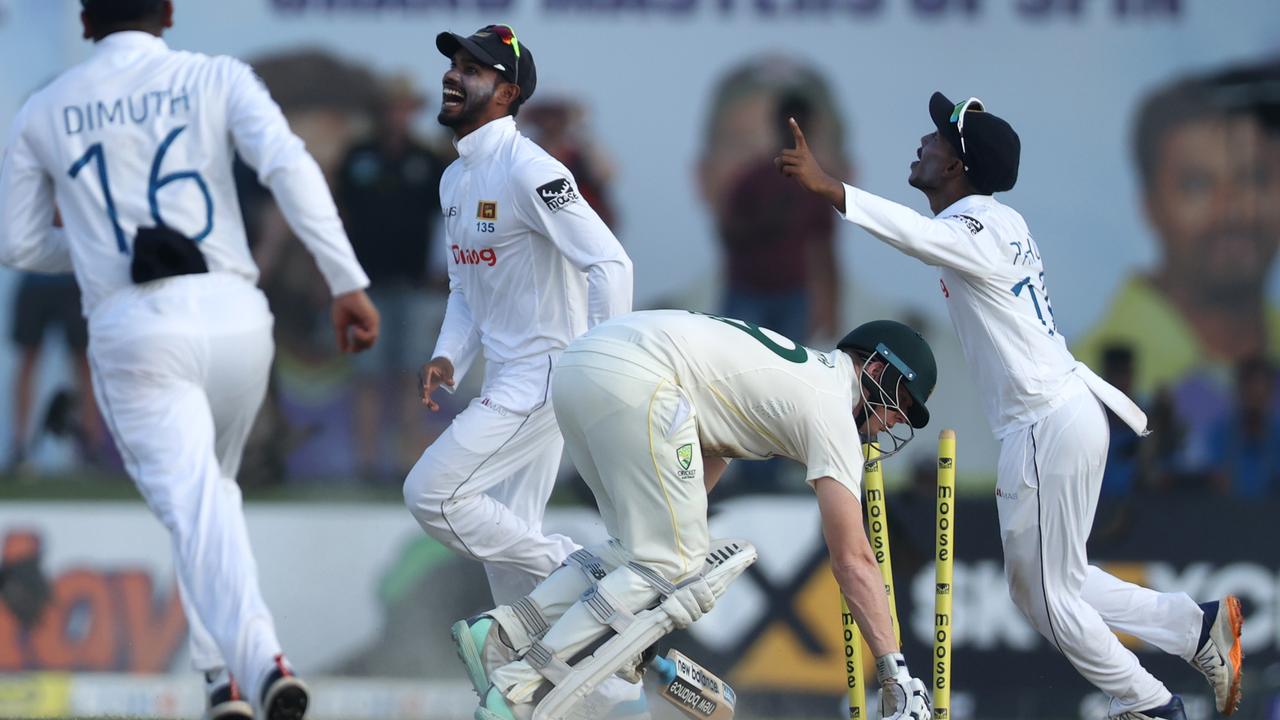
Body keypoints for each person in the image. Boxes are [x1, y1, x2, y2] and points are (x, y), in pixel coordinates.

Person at [777, 92, 1244, 719]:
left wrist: (829, 188)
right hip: (1063, 415)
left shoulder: (977, 227)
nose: (924, 142)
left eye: (938, 138)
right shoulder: (997, 223)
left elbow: (915, 237)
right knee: (1059, 584)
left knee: (1045, 597)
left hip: (1044, 423)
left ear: (957, 166)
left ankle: (1149, 706)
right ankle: (1193, 628)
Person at [0, 2, 381, 719]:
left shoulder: (46, 107)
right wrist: (347, 280)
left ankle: (260, 661)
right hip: (237, 319)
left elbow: (17, 244)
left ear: (85, 22)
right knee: (207, 502)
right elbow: (290, 167)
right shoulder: (215, 75)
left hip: (138, 330)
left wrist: (93, 253)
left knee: (197, 505)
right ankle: (220, 682)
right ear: (168, 13)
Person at [451, 310, 937, 720]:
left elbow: (695, 481)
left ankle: (502, 630)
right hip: (640, 379)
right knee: (673, 561)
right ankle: (519, 682)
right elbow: (853, 559)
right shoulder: (832, 408)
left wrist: (636, 612)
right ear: (875, 369)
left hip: (584, 369)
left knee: (638, 550)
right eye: (902, 403)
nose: (896, 420)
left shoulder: (785, 384)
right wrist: (894, 671)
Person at [401, 24, 638, 716]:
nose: (453, 74)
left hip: (543, 379)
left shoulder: (533, 169)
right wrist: (450, 355)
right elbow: (464, 291)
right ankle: (611, 692)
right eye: (452, 63)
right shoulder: (455, 177)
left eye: (471, 69)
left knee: (433, 496)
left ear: (507, 93)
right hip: (502, 375)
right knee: (509, 575)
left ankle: (591, 569)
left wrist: (598, 361)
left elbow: (610, 263)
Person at [335, 73, 448, 481]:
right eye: (389, 107)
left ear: (412, 112)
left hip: (415, 285)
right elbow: (339, 218)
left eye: (403, 107)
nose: (396, 115)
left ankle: (407, 464)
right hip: (364, 286)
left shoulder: (427, 159)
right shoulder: (357, 156)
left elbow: (447, 220)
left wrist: (444, 268)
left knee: (412, 377)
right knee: (366, 375)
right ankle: (366, 464)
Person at [7, 272, 105, 471]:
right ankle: (20, 448)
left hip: (75, 279)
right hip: (35, 276)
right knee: (28, 359)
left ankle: (91, 448)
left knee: (84, 362)